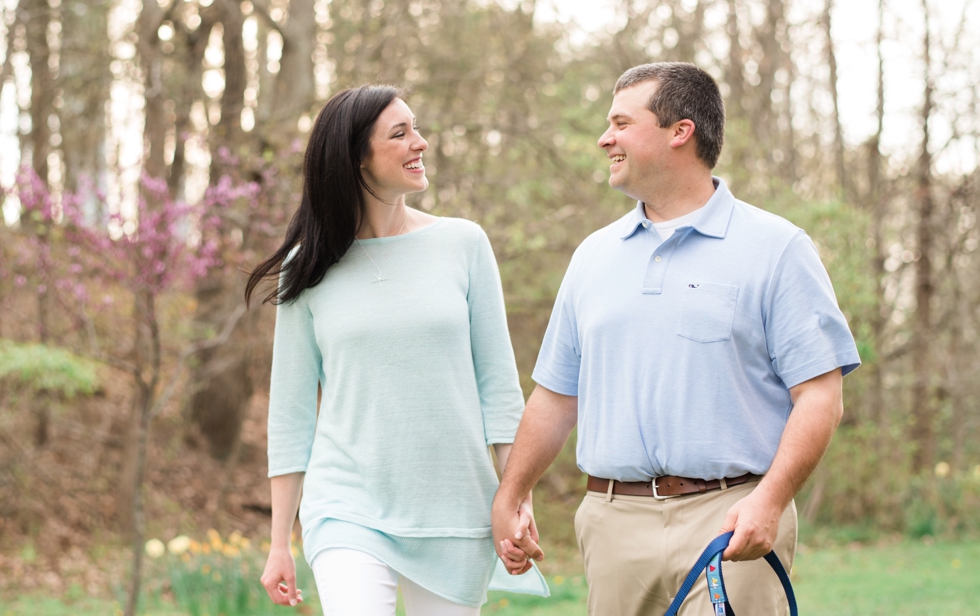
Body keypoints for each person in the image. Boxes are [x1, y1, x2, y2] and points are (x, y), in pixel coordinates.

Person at [491, 62, 861, 615]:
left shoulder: (777, 248)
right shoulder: (593, 256)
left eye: (621, 122)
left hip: (732, 521)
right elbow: (556, 395)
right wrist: (512, 492)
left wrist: (771, 501)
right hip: (612, 525)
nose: (604, 138)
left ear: (679, 131)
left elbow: (820, 395)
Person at [246, 85, 547, 615]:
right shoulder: (308, 267)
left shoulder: (464, 244)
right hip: (348, 507)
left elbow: (498, 389)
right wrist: (278, 543)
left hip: (453, 508)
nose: (422, 143)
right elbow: (291, 415)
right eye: (401, 133)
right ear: (357, 157)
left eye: (417, 128)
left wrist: (515, 496)